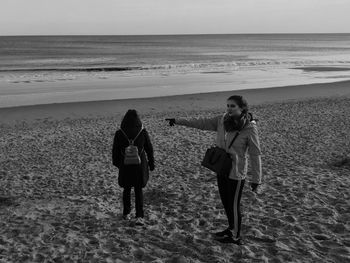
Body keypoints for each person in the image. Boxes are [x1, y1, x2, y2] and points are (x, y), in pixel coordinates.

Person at [165, 95, 262, 244]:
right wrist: (177, 121)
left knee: (234, 205)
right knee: (225, 202)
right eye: (228, 105)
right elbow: (201, 123)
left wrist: (257, 179)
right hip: (221, 168)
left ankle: (236, 236)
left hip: (236, 172)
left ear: (242, 108)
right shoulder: (222, 120)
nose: (229, 109)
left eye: (233, 106)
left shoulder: (250, 127)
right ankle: (231, 228)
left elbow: (255, 155)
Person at [112, 109, 155, 226]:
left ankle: (126, 213)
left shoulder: (119, 133)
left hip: (125, 167)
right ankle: (139, 215)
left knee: (126, 189)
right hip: (139, 166)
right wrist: (151, 164)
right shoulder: (142, 132)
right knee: (138, 190)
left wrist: (119, 164)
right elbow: (149, 149)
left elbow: (115, 152)